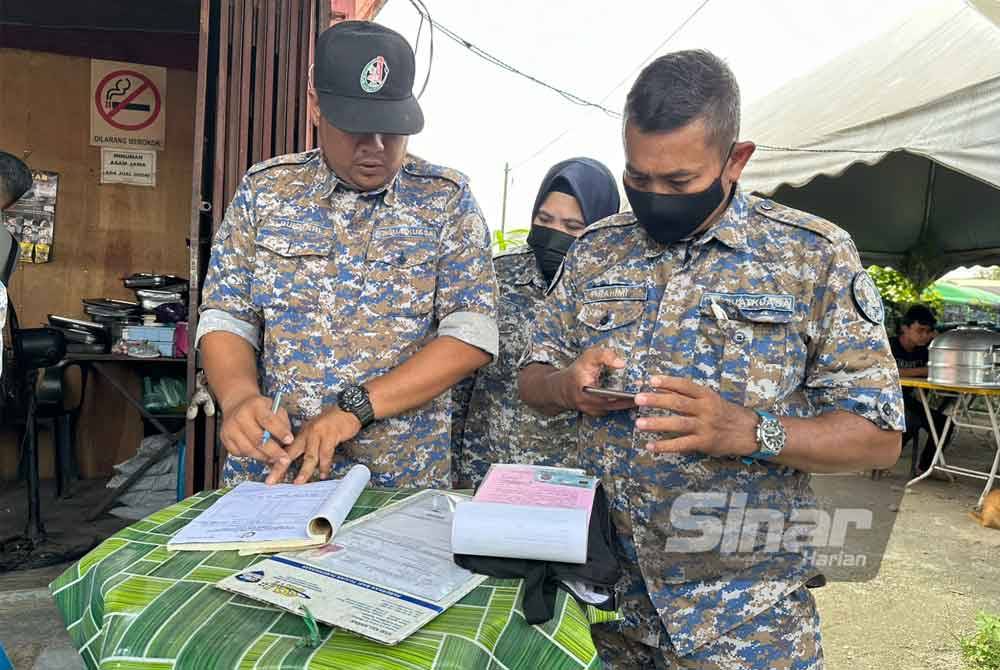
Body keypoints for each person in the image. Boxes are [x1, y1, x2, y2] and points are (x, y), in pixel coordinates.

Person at [518, 50, 904, 668]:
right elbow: (530, 379)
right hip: (604, 603)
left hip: (746, 617)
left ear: (736, 160)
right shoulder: (597, 250)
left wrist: (748, 430)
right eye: (638, 180)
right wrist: (566, 387)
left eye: (679, 183)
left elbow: (879, 438)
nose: (655, 198)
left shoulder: (812, 257)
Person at [197, 21, 498, 489]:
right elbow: (226, 318)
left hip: (397, 482)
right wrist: (237, 398)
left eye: (391, 129)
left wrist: (355, 408)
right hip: (275, 473)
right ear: (315, 106)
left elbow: (472, 336)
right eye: (356, 128)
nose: (375, 147)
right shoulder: (266, 193)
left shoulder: (446, 201)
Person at [452, 157, 620, 487]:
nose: (555, 234)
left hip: (574, 479)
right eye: (545, 219)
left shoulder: (616, 292)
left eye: (573, 227)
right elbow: (460, 380)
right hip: (489, 470)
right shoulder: (498, 276)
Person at [890, 304, 952, 473]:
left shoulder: (924, 351)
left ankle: (924, 468)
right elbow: (890, 372)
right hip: (886, 402)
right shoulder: (889, 346)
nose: (924, 335)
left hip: (909, 402)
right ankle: (882, 461)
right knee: (911, 419)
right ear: (905, 327)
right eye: (920, 330)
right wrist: (923, 370)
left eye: (928, 331)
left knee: (945, 423)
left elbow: (942, 366)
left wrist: (937, 340)